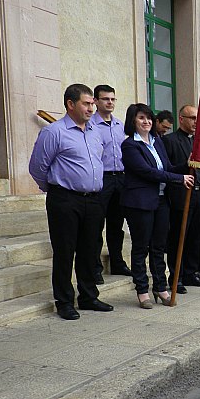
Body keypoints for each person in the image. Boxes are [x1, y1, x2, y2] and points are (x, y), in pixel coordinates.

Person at [29, 83, 113, 320]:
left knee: (89, 250)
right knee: (65, 252)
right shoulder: (54, 132)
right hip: (65, 200)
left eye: (92, 104)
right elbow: (37, 167)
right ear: (70, 104)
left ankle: (88, 296)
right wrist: (56, 190)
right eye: (86, 103)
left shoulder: (94, 132)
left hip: (94, 200)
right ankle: (64, 301)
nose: (91, 108)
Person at [120, 103, 195, 309]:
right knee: (141, 247)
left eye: (149, 118)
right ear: (133, 121)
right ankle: (142, 290)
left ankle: (160, 286)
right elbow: (148, 172)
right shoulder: (130, 145)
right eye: (141, 118)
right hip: (140, 203)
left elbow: (168, 168)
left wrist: (187, 164)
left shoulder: (157, 142)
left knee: (159, 246)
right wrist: (179, 178)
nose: (147, 122)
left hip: (162, 201)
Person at [162, 105, 200, 293]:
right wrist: (185, 165)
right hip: (181, 195)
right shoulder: (169, 141)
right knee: (177, 238)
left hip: (199, 195)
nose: (195, 122)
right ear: (181, 119)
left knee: (195, 237)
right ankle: (177, 277)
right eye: (192, 118)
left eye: (197, 118)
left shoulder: (198, 141)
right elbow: (168, 168)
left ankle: (191, 273)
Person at [91, 85, 132, 284]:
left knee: (116, 224)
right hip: (102, 179)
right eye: (105, 99)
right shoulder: (90, 125)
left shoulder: (119, 125)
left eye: (113, 99)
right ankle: (95, 268)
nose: (110, 103)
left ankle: (117, 262)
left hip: (120, 178)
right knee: (97, 224)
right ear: (96, 101)